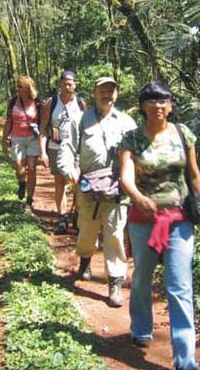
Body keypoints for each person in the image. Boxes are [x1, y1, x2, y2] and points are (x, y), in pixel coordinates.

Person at [119, 81, 200, 370]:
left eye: (163, 101)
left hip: (179, 220)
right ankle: (141, 328)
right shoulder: (131, 139)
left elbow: (195, 176)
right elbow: (125, 177)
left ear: (171, 105)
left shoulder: (182, 133)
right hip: (143, 220)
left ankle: (185, 361)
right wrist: (137, 197)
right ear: (142, 106)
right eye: (151, 101)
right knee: (141, 280)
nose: (157, 106)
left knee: (180, 286)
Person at [57, 76, 136, 307]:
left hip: (116, 187)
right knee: (87, 230)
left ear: (117, 94)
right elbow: (67, 147)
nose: (106, 95)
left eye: (111, 91)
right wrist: (68, 169)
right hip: (88, 187)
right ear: (94, 93)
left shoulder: (127, 122)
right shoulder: (80, 120)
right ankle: (85, 259)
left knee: (114, 234)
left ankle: (115, 282)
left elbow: (137, 153)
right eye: (102, 90)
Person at [39, 70, 86, 234]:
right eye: (65, 83)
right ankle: (62, 217)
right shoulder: (51, 103)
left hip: (76, 149)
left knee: (79, 183)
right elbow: (43, 129)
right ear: (60, 84)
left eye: (71, 83)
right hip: (55, 147)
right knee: (59, 183)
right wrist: (43, 152)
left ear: (75, 84)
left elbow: (87, 127)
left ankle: (78, 215)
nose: (68, 86)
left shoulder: (80, 103)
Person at [2, 76, 41, 208]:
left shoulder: (37, 102)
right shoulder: (13, 102)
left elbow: (43, 121)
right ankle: (21, 183)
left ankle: (30, 199)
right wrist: (4, 140)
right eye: (17, 86)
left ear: (28, 88)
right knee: (20, 169)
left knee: (31, 168)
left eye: (20, 86)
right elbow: (8, 121)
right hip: (17, 138)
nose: (17, 89)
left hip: (33, 138)